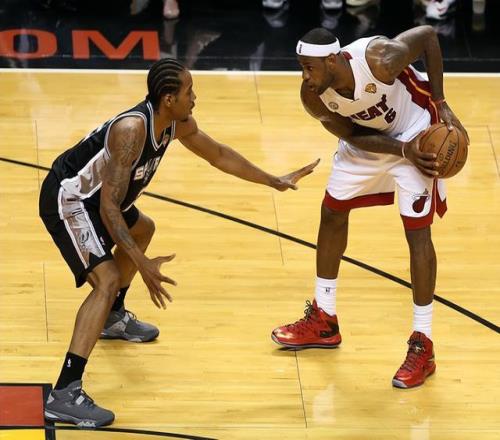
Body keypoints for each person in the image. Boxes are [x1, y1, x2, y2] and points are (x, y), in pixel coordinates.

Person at [39, 58, 319, 427]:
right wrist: (141, 264)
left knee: (143, 229)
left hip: (103, 200)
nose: (195, 98)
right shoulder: (131, 131)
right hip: (72, 200)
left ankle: (111, 317)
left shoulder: (175, 123)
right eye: (189, 92)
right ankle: (64, 392)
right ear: (168, 99)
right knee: (106, 280)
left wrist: (272, 180)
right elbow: (108, 208)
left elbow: (218, 154)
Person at [271, 26, 468, 389]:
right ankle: (324, 319)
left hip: (417, 135)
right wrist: (399, 150)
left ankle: (423, 344)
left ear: (333, 60)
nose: (305, 76)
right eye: (301, 67)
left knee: (417, 233)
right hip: (372, 143)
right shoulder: (313, 96)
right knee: (332, 212)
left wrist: (441, 104)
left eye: (310, 67)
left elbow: (428, 36)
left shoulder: (379, 60)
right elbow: (350, 134)